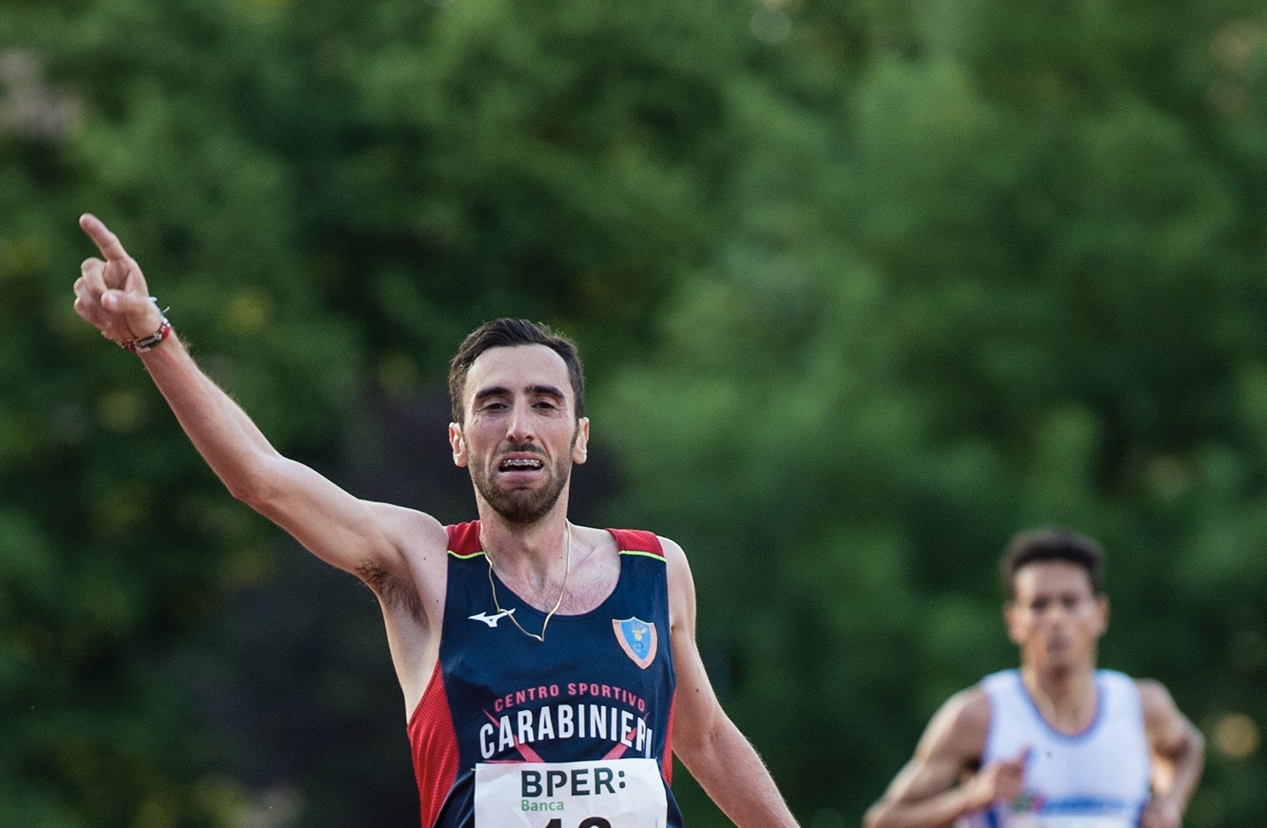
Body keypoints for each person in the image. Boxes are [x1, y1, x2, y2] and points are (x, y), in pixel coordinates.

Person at [72, 213, 801, 828]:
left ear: (578, 436)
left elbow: (703, 737)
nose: (519, 425)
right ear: (458, 441)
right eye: (493, 404)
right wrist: (152, 336)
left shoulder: (655, 569)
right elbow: (262, 479)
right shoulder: (421, 565)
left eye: (544, 403)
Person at [864, 527, 1204, 828]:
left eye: (1070, 602)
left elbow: (1189, 746)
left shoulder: (1140, 705)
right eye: (1039, 605)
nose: (1055, 618)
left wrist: (1169, 804)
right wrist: (969, 798)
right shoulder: (978, 716)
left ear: (1100, 614)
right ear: (1014, 620)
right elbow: (883, 820)